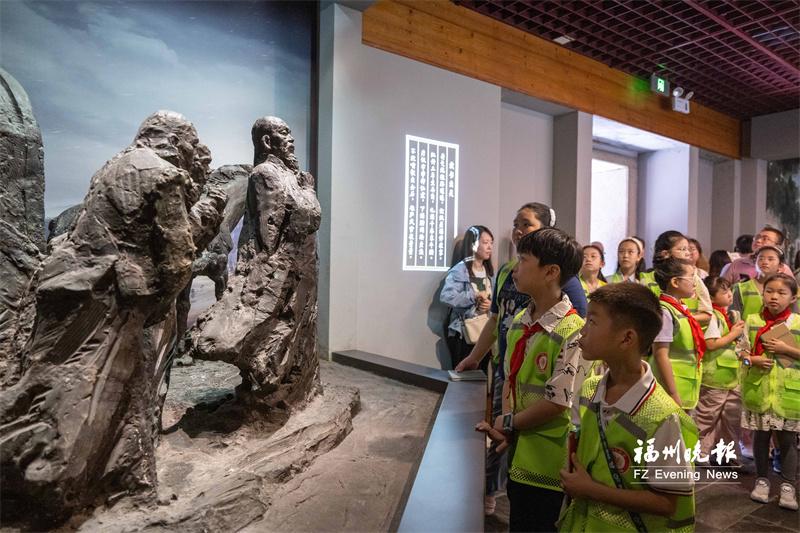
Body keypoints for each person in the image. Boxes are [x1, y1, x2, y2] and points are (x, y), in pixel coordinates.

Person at [455, 202, 587, 515]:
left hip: (550, 462)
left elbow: (559, 400)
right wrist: (508, 422)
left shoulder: (571, 324)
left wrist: (509, 422)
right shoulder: (519, 319)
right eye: (516, 224)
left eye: (526, 224)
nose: (517, 230)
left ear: (551, 271)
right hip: (521, 444)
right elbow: (496, 325)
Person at [558, 283, 697, 532]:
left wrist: (590, 490)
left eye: (592, 322)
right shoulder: (590, 388)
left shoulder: (662, 416)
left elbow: (667, 502)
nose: (583, 330)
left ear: (626, 338)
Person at [739, 273, 800, 511]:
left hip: (789, 394)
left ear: (793, 297)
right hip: (759, 391)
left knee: (787, 441)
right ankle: (761, 480)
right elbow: (741, 355)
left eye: (781, 293)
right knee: (760, 437)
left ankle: (788, 485)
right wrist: (751, 360)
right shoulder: (752, 320)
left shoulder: (797, 323)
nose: (774, 296)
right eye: (769, 291)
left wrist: (787, 349)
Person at [693, 276, 745, 460]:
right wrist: (734, 333)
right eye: (724, 292)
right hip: (714, 378)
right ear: (711, 297)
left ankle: (727, 457)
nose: (730, 294)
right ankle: (698, 454)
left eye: (730, 290)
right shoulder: (711, 316)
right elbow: (711, 344)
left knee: (729, 421)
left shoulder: (726, 314)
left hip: (731, 377)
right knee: (706, 419)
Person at [652, 256, 706, 410]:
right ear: (675, 282)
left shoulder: (680, 308)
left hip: (685, 388)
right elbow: (660, 354)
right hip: (670, 391)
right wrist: (673, 393)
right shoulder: (665, 311)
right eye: (691, 277)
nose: (695, 282)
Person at [440, 225, 494, 369]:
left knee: (482, 374)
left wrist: (490, 305)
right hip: (463, 334)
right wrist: (473, 296)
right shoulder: (460, 270)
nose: (489, 247)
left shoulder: (488, 271)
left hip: (484, 332)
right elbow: (446, 296)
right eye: (485, 242)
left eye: (491, 243)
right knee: (463, 374)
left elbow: (494, 298)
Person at [641, 230, 712, 325]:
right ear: (665, 254)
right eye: (682, 249)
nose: (688, 253)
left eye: (688, 249)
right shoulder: (647, 279)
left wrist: (681, 318)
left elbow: (707, 314)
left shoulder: (693, 278)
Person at [730, 244, 784, 323]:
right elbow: (734, 318)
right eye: (761, 259)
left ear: (780, 266)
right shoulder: (741, 288)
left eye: (770, 259)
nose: (765, 262)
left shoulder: (786, 289)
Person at [722, 226, 794, 283]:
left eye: (765, 239)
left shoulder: (783, 269)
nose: (758, 241)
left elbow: (793, 292)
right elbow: (723, 288)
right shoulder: (737, 264)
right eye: (757, 237)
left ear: (777, 245)